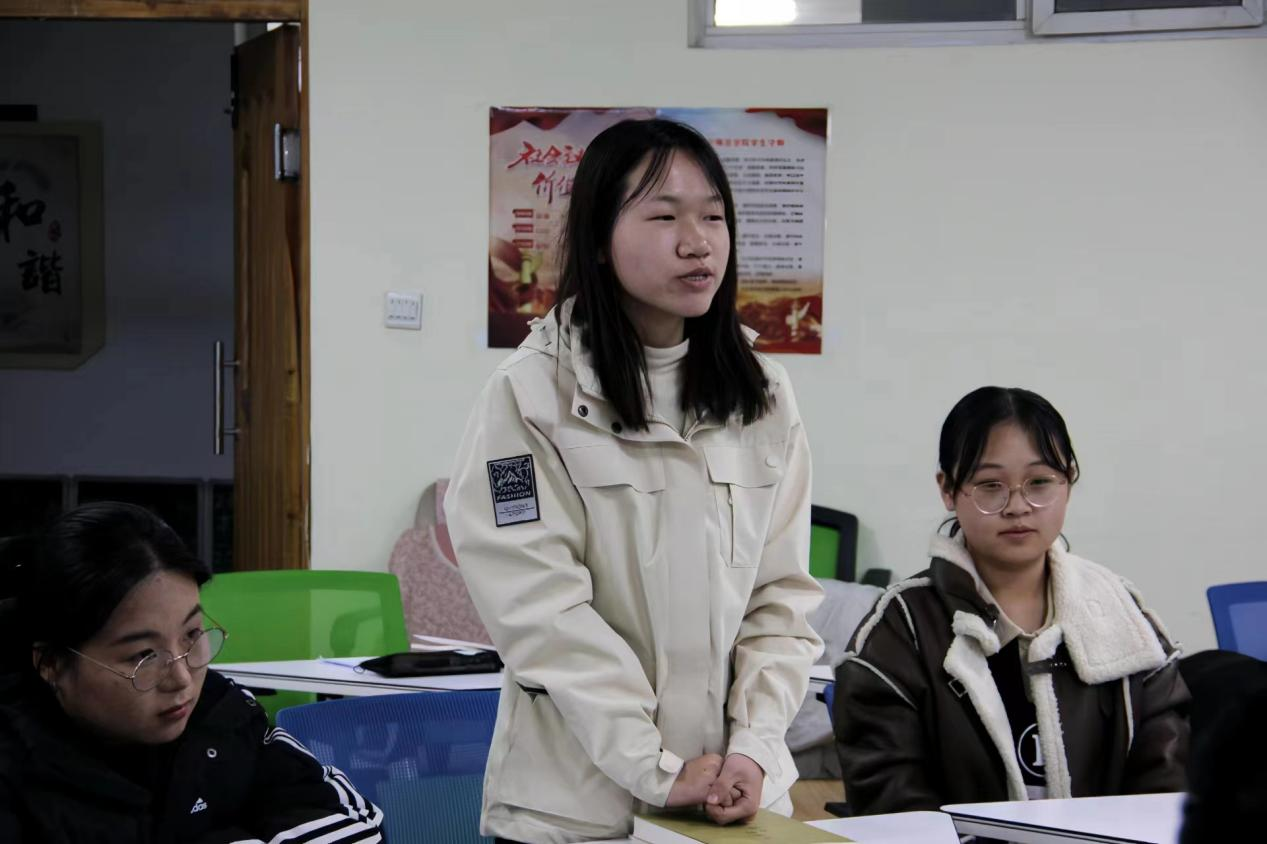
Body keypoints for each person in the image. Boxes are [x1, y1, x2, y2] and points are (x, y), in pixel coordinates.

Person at [445, 118, 824, 843]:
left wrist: (754, 749)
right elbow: (540, 609)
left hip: (729, 806)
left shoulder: (763, 395)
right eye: (664, 216)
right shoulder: (530, 395)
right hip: (574, 815)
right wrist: (651, 765)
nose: (698, 242)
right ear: (598, 237)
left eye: (713, 216)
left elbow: (780, 599)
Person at [833, 386, 1189, 815]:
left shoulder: (1122, 614)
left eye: (1040, 482)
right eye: (990, 486)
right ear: (948, 489)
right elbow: (892, 803)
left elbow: (1164, 792)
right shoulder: (900, 630)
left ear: (1068, 482)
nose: (1018, 506)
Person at [0, 502, 385, 843]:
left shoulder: (223, 715)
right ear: (51, 664)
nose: (182, 679)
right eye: (143, 655)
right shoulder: (17, 771)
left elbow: (356, 825)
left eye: (192, 634)